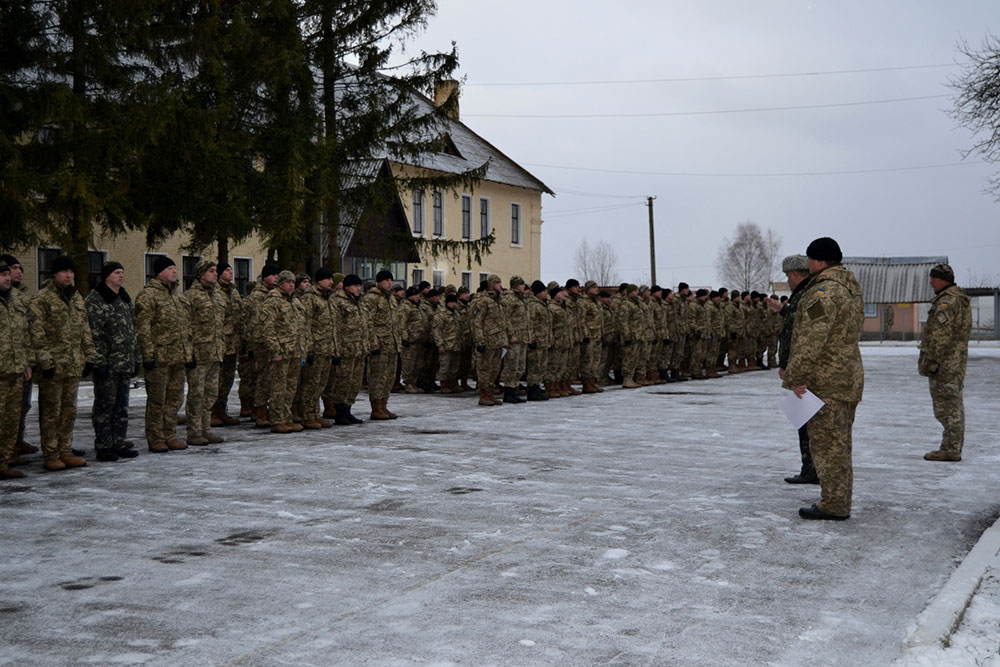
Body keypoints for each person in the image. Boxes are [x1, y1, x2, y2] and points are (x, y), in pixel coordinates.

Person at [782, 237, 864, 521]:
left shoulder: (823, 292)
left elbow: (811, 339)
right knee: (839, 443)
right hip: (847, 376)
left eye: (808, 259)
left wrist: (794, 376)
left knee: (828, 445)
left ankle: (835, 504)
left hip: (827, 380)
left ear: (818, 261)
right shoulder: (849, 287)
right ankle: (838, 499)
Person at [32, 255, 97, 470]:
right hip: (54, 365)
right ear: (54, 274)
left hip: (73, 364)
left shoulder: (77, 297)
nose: (68, 275)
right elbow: (37, 333)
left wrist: (89, 356)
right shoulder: (43, 298)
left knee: (69, 411)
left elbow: (84, 330)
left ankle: (65, 450)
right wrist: (45, 361)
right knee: (51, 413)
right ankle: (51, 454)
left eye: (71, 271)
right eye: (64, 272)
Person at [84, 261, 141, 461]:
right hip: (108, 363)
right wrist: (99, 361)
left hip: (124, 363)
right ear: (107, 276)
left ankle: (118, 442)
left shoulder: (124, 299)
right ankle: (103, 445)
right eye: (117, 272)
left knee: (121, 407)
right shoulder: (96, 300)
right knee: (104, 406)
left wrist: (136, 358)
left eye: (122, 272)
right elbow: (94, 334)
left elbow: (132, 331)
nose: (121, 276)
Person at [136, 255, 193, 453]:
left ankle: (170, 435)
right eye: (170, 268)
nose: (175, 271)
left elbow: (186, 327)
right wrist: (148, 356)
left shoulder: (179, 296)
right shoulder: (148, 296)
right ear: (159, 272)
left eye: (175, 268)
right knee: (157, 400)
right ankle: (156, 437)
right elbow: (144, 329)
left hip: (178, 356)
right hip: (159, 357)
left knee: (174, 399)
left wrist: (189, 353)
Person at [769, 254, 816, 484]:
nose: (787, 280)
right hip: (801, 368)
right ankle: (810, 469)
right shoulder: (803, 296)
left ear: (796, 274)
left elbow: (814, 331)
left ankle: (814, 470)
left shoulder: (812, 295)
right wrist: (783, 310)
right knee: (805, 422)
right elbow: (800, 321)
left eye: (788, 275)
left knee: (812, 424)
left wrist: (795, 370)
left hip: (808, 371)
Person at [919, 263, 972, 462]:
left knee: (948, 408)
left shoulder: (947, 303)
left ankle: (950, 449)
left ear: (944, 280)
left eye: (934, 278)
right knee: (953, 406)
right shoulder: (959, 299)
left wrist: (930, 362)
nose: (931, 282)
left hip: (945, 365)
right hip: (954, 363)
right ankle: (952, 446)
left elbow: (940, 337)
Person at [1, 261, 38, 479]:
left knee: (11, 421)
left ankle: (4, 462)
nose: (8, 277)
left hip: (15, 371)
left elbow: (24, 335)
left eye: (8, 274)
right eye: (3, 274)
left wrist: (27, 363)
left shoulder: (14, 301)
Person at [184, 260, 226, 446]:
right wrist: (189, 352)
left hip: (214, 352)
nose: (215, 274)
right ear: (201, 274)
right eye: (211, 271)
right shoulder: (191, 296)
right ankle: (194, 431)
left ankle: (206, 429)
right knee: (197, 394)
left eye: (216, 271)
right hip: (198, 354)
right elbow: (185, 327)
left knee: (211, 393)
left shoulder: (217, 296)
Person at [262, 271, 308, 433]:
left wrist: (304, 348)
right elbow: (268, 329)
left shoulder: (295, 301)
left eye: (293, 282)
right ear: (280, 283)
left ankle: (287, 417)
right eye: (288, 282)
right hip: (282, 351)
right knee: (278, 388)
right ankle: (277, 419)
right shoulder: (272, 301)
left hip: (295, 351)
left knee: (290, 388)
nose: (291, 285)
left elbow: (302, 327)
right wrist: (275, 351)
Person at [329, 274, 368, 424]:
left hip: (359, 349)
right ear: (347, 287)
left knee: (355, 382)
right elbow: (335, 328)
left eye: (360, 285)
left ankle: (348, 410)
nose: (359, 288)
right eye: (355, 285)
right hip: (346, 349)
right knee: (343, 381)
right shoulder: (338, 301)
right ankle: (339, 412)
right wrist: (336, 350)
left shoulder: (359, 302)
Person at [362, 270, 401, 420]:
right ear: (379, 282)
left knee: (389, 377)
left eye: (390, 280)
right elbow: (368, 323)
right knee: (378, 376)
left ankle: (384, 405)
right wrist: (373, 343)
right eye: (385, 280)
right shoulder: (371, 298)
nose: (389, 283)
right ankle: (376, 407)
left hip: (392, 343)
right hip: (379, 344)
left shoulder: (391, 298)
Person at [212, 262, 243, 426]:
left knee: (228, 379)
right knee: (217, 379)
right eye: (227, 270)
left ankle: (222, 409)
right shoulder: (214, 291)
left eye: (231, 270)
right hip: (220, 343)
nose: (231, 272)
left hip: (233, 343)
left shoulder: (234, 292)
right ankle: (212, 411)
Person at [471, 274, 508, 406]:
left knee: (495, 369)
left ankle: (490, 393)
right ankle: (483, 395)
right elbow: (477, 322)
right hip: (487, 341)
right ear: (492, 284)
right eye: (498, 283)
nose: (501, 286)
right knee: (484, 369)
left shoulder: (497, 301)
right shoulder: (482, 300)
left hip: (498, 341)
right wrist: (479, 341)